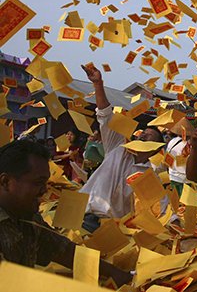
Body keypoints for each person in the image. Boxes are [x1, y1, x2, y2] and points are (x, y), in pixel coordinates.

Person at [0, 140, 131, 286]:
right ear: (5, 182)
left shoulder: (26, 215)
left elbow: (63, 250)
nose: (45, 190)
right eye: (38, 183)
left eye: (45, 183)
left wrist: (116, 273)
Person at [79, 64, 164, 233]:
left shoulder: (149, 176)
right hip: (81, 213)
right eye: (142, 133)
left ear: (154, 150)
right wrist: (98, 84)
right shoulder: (117, 147)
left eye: (149, 136)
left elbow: (160, 206)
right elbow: (104, 114)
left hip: (110, 227)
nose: (142, 136)